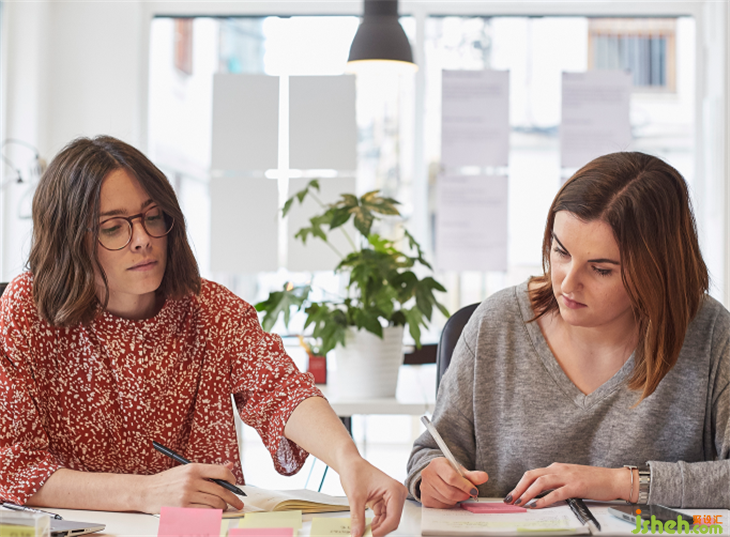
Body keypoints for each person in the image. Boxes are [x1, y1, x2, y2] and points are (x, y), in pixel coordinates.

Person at [0, 135, 406, 537]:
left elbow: (281, 389)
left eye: (153, 217)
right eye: (112, 227)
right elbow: (14, 468)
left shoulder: (209, 308)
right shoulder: (27, 312)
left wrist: (348, 459)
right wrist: (145, 492)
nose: (142, 239)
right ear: (69, 239)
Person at [406, 152, 729, 510]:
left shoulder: (710, 335)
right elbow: (430, 453)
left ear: (656, 271)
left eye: (601, 269)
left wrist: (621, 483)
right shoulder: (497, 324)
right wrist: (429, 478)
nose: (567, 283)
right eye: (561, 252)